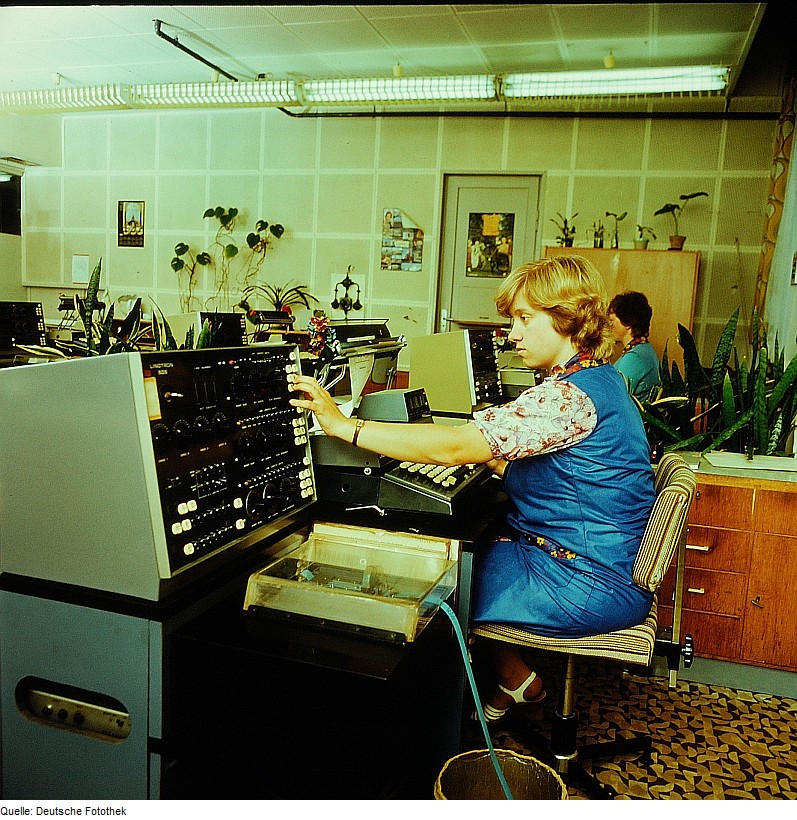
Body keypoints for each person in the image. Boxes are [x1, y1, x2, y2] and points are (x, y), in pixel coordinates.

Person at [289, 255, 655, 724]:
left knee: (435, 588)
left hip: (585, 582)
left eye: (525, 319)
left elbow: (456, 448)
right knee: (480, 546)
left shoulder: (566, 397)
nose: (513, 334)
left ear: (568, 320)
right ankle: (516, 681)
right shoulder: (600, 379)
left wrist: (345, 427)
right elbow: (561, 467)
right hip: (597, 562)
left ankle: (429, 731)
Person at [608, 291, 660, 401]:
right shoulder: (644, 349)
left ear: (627, 323)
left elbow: (614, 398)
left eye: (612, 320)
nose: (609, 325)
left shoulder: (634, 358)